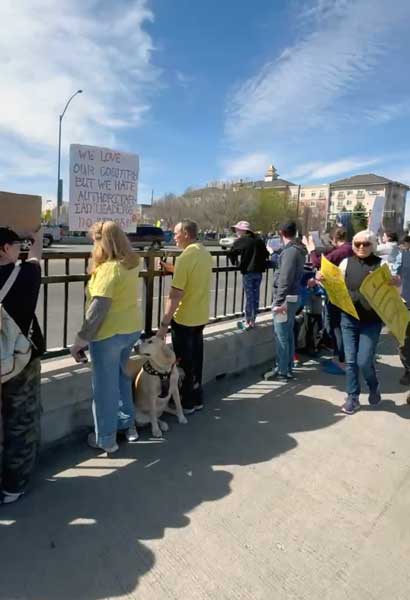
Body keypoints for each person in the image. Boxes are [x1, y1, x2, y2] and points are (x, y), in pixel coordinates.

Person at [70, 221, 142, 453]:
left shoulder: (108, 270)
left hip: (108, 335)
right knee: (121, 379)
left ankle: (107, 440)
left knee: (104, 389)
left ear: (102, 242)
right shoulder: (131, 263)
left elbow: (97, 310)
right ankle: (128, 425)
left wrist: (80, 341)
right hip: (131, 330)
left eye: (94, 241)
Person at [0, 227, 44, 505]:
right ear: (4, 248)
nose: (21, 248)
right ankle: (14, 484)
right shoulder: (25, 274)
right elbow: (36, 258)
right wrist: (36, 239)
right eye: (17, 244)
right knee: (21, 421)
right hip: (20, 359)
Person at [322, 230, 383, 415]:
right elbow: (335, 285)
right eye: (357, 244)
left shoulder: (381, 265)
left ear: (373, 245)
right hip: (348, 319)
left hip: (371, 322)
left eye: (366, 244)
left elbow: (393, 293)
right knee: (350, 361)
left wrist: (395, 284)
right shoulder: (346, 262)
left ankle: (373, 386)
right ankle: (352, 397)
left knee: (363, 360)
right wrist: (322, 280)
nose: (361, 247)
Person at [157, 219, 212, 414]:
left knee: (183, 363)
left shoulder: (185, 258)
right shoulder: (205, 254)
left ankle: (186, 403)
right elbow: (193, 276)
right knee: (197, 359)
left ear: (186, 234)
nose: (174, 237)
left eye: (176, 233)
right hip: (200, 317)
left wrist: (164, 324)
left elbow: (175, 294)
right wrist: (173, 269)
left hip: (184, 318)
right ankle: (197, 399)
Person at [264, 221, 305, 381]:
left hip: (285, 299)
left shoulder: (289, 252)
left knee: (282, 335)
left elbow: (285, 278)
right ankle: (286, 368)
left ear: (281, 233)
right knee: (287, 335)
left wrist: (279, 302)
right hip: (293, 297)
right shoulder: (298, 250)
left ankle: (282, 371)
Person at [309, 228, 353, 374]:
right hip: (346, 294)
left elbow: (319, 262)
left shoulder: (342, 251)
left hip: (337, 294)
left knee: (335, 326)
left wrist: (312, 250)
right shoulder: (350, 249)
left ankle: (340, 360)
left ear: (334, 239)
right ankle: (342, 358)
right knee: (341, 326)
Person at [228, 220, 269, 330]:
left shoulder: (242, 241)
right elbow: (266, 254)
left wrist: (236, 262)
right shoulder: (258, 240)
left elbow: (232, 252)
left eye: (237, 229)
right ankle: (253, 320)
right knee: (255, 296)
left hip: (248, 272)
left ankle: (248, 320)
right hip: (259, 272)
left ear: (243, 231)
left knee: (249, 297)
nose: (236, 231)